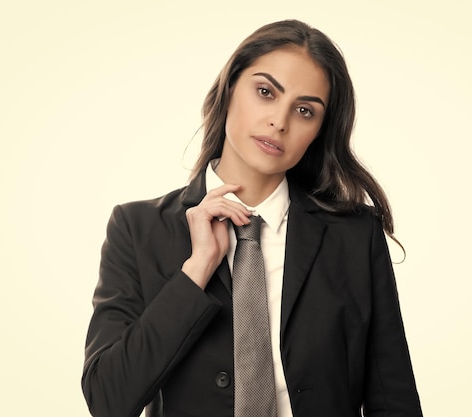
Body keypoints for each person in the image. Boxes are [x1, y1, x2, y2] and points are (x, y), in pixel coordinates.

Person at [82, 19, 423, 417]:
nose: (280, 121)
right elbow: (108, 399)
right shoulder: (137, 229)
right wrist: (196, 271)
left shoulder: (354, 235)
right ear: (229, 91)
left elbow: (392, 398)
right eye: (265, 92)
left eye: (304, 110)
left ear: (319, 130)